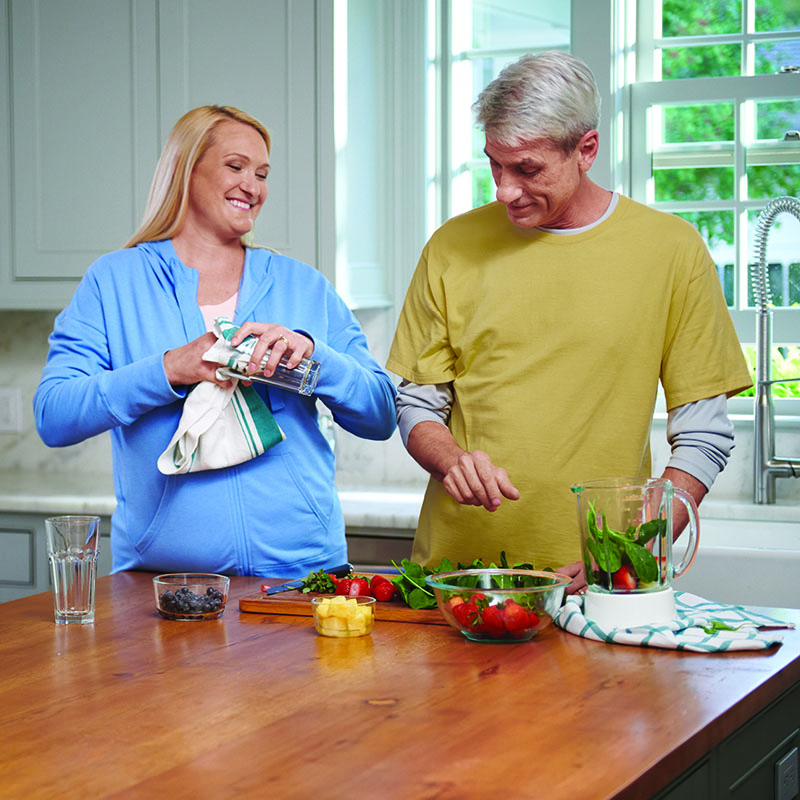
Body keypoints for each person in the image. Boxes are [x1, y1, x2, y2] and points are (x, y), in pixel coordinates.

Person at [386, 51, 752, 592]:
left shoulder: (670, 250)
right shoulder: (451, 246)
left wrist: (631, 554)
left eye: (527, 169)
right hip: (459, 579)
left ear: (587, 149)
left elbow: (703, 433)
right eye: (495, 163)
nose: (504, 190)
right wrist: (452, 461)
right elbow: (417, 401)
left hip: (602, 579)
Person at [34, 105, 396, 579]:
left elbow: (381, 414)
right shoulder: (113, 282)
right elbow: (54, 416)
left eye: (262, 173)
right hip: (163, 584)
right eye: (236, 166)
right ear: (187, 170)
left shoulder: (303, 286)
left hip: (302, 577)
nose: (254, 185)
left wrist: (314, 360)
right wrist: (166, 370)